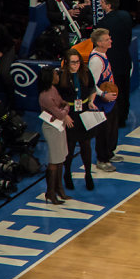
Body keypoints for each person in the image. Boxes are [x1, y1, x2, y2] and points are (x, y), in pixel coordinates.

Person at [57, 49, 95, 193]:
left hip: (83, 110)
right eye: (73, 62)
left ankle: (88, 174)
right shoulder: (60, 76)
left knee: (86, 145)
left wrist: (91, 101)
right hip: (69, 112)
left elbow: (92, 88)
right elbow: (57, 98)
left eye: (78, 61)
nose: (76, 64)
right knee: (70, 147)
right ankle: (67, 173)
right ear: (66, 63)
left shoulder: (85, 72)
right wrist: (64, 115)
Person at [95, 0, 132, 128]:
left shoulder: (103, 24)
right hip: (125, 58)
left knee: (115, 91)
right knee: (125, 88)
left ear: (109, 5)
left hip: (113, 63)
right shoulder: (126, 16)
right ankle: (124, 116)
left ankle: (117, 119)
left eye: (103, 1)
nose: (100, 3)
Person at [87, 28, 121, 167]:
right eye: (107, 39)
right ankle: (102, 159)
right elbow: (91, 84)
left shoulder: (104, 54)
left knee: (112, 129)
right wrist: (103, 94)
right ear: (99, 43)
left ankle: (109, 153)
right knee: (103, 132)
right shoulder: (96, 61)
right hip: (101, 102)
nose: (110, 41)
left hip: (109, 101)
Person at [38, 66, 71, 205]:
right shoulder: (45, 96)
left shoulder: (53, 89)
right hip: (51, 128)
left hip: (59, 126)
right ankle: (50, 192)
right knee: (54, 160)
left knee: (61, 158)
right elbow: (61, 112)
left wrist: (64, 107)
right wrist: (66, 108)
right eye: (55, 74)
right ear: (50, 77)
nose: (58, 76)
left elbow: (62, 104)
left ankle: (59, 189)